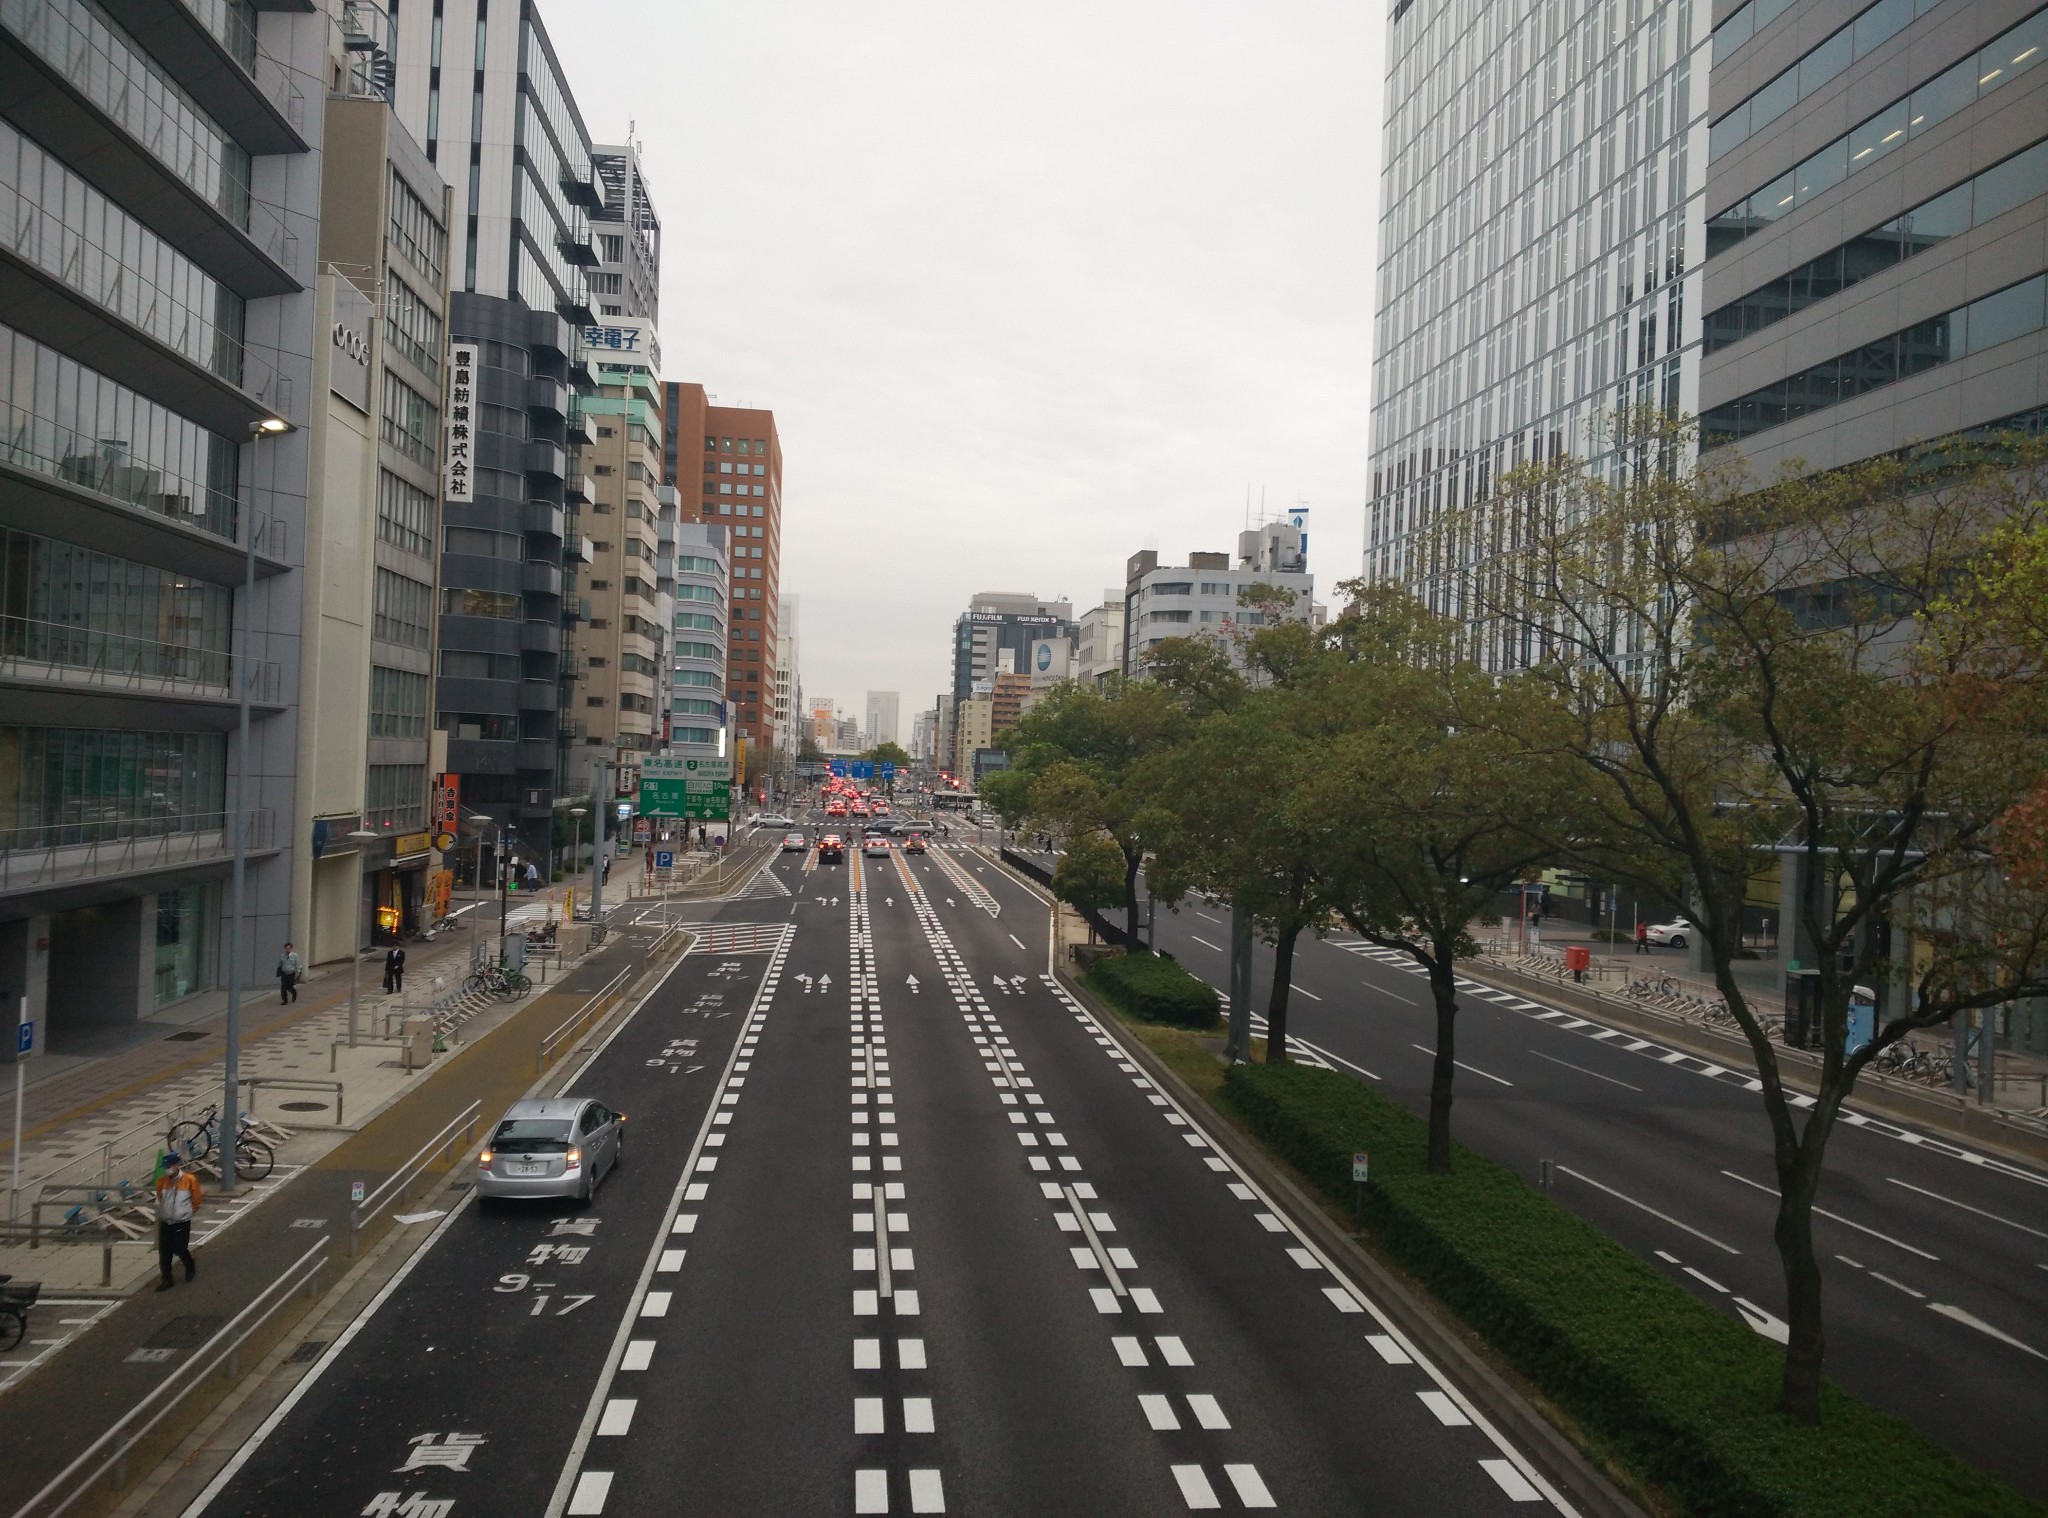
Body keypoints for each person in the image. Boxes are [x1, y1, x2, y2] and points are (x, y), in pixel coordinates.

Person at [154, 1153, 201, 1290]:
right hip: (166, 1221)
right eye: (165, 1167)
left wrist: (187, 1212)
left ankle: (189, 1264)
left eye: (169, 1166)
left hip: (181, 1221)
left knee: (180, 1248)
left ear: (176, 1166)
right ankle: (167, 1279)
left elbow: (197, 1199)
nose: (166, 1170)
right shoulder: (162, 1181)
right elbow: (159, 1196)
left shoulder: (189, 1179)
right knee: (164, 1253)